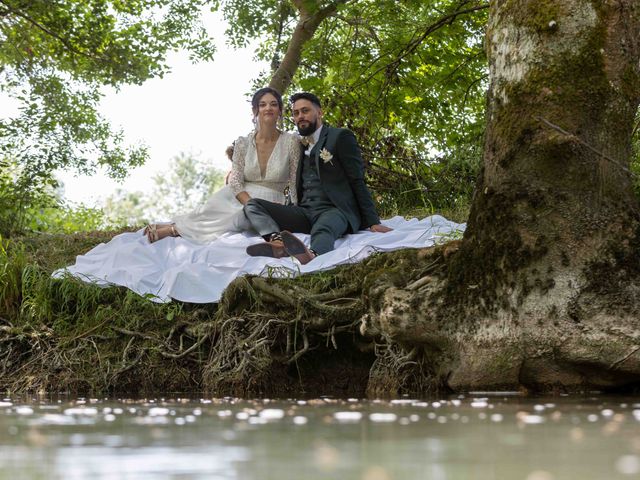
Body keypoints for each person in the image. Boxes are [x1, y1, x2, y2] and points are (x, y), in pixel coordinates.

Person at [243, 92, 392, 264]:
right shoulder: (297, 146)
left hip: (335, 210)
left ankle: (312, 255)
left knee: (323, 227)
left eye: (305, 111)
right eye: (296, 113)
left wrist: (372, 221)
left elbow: (357, 180)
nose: (300, 116)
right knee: (252, 205)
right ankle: (277, 242)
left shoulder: (340, 137)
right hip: (304, 212)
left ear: (319, 112)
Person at [144, 87, 301, 244]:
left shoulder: (291, 141)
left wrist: (293, 209)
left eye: (273, 104)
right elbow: (235, 180)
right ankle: (175, 225)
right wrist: (250, 203)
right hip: (241, 193)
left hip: (271, 198)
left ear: (280, 110)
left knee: (236, 217)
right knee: (212, 207)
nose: (268, 108)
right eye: (262, 104)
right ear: (255, 111)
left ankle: (174, 230)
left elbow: (294, 181)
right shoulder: (243, 143)